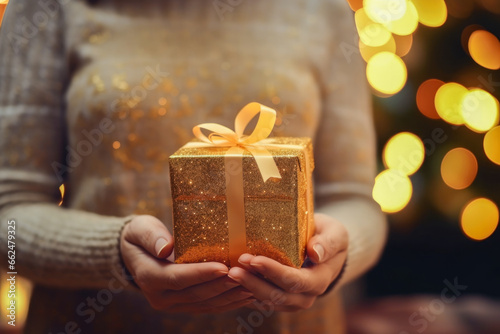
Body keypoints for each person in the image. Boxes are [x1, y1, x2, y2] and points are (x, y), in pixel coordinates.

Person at [0, 0, 387, 333]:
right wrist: (113, 253)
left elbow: (354, 200)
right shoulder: (49, 8)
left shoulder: (322, 9)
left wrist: (334, 253)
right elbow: (10, 217)